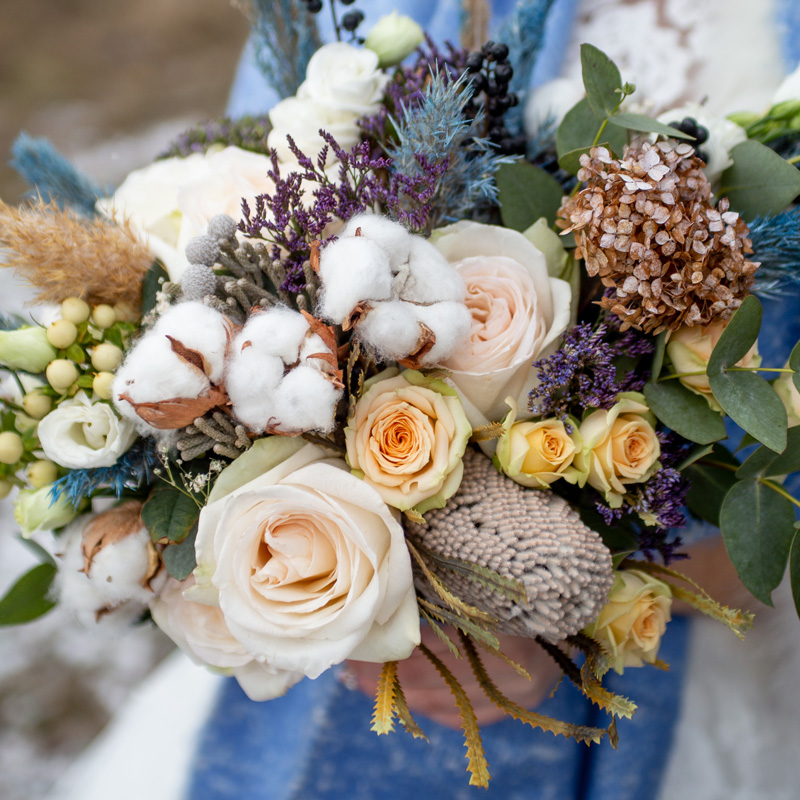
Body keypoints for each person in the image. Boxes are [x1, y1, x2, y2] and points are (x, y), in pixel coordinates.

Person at [46, 2, 800, 798]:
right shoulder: (424, 14)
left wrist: (574, 607)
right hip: (344, 628)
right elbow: (240, 210)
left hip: (671, 642)